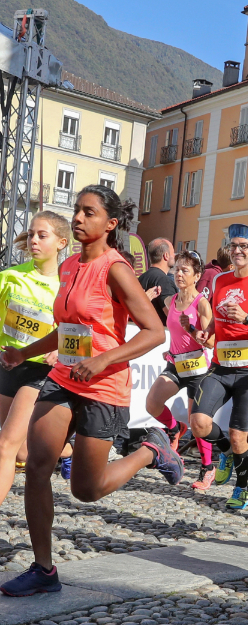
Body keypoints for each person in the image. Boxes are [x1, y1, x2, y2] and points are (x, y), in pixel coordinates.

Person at [0, 186, 179, 597]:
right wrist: (22, 353)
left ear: (110, 224)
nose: (79, 218)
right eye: (77, 211)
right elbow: (66, 330)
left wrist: (102, 360)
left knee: (86, 489)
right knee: (38, 465)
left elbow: (155, 332)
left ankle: (152, 450)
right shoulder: (68, 268)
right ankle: (44, 569)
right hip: (63, 378)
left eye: (89, 212)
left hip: (104, 385)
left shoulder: (116, 269)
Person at [189, 224, 248, 511]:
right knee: (199, 422)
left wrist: (246, 318)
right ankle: (226, 452)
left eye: (244, 246)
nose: (237, 250)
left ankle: (242, 488)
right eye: (233, 245)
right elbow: (217, 322)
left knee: (239, 434)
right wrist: (209, 333)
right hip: (220, 365)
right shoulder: (219, 281)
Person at [0, 213, 70, 507]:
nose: (33, 240)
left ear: (61, 243)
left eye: (42, 235)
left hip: (41, 372)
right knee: (21, 453)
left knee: (5, 445)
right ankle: (69, 449)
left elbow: (81, 333)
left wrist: (62, 350)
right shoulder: (10, 277)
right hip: (8, 365)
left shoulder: (67, 286)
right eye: (31, 234)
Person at [145, 250, 215, 488]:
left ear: (197, 276)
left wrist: (193, 329)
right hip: (175, 363)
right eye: (177, 270)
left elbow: (211, 342)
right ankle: (175, 429)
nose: (179, 274)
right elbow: (166, 326)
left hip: (197, 368)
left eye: (185, 270)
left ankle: (207, 468)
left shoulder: (202, 304)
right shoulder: (169, 301)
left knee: (199, 422)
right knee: (152, 403)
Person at [138, 238, 177, 323]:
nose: (174, 256)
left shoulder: (141, 278)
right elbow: (173, 316)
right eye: (173, 253)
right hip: (161, 333)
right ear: (166, 256)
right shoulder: (164, 281)